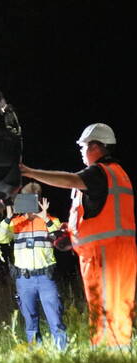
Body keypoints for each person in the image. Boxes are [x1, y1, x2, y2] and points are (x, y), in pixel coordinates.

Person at [20, 122, 136, 349]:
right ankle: (116, 356)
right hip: (117, 251)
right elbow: (100, 215)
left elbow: (68, 179)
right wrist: (69, 231)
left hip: (104, 254)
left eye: (83, 147)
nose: (81, 152)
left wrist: (30, 172)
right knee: (116, 306)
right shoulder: (117, 174)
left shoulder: (99, 172)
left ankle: (106, 357)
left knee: (104, 306)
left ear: (95, 146)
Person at [0, 182, 68, 349]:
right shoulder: (16, 223)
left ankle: (62, 354)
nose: (30, 206)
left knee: (55, 319)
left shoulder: (51, 220)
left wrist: (45, 218)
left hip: (46, 279)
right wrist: (8, 218)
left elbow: (58, 238)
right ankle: (36, 356)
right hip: (24, 279)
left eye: (34, 201)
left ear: (41, 201)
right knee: (30, 322)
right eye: (26, 201)